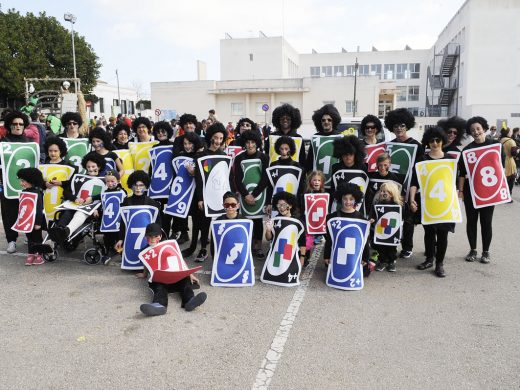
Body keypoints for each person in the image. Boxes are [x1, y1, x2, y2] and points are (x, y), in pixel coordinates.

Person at [409, 127, 457, 277]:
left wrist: (457, 198)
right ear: (427, 142)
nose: (435, 143)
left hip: (444, 203)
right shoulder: (422, 160)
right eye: (432, 140)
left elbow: (453, 184)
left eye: (438, 140)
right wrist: (411, 200)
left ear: (442, 141)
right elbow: (414, 182)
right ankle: (429, 258)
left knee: (443, 234)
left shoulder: (450, 160)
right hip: (427, 203)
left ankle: (440, 264)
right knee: (429, 232)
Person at [137, 223, 207, 317]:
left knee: (185, 282)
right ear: (146, 237)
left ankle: (190, 300)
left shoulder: (168, 245)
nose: (153, 239)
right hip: (161, 279)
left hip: (175, 277)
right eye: (150, 236)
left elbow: (179, 260)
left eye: (156, 236)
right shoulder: (145, 251)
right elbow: (147, 264)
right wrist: (144, 274)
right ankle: (158, 305)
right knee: (159, 288)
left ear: (160, 236)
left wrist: (190, 274)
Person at [458, 116, 501, 264]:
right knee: (471, 221)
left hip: (488, 191)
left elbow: (500, 169)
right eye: (472, 130)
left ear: (484, 128)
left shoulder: (495, 145)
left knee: (486, 222)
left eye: (478, 128)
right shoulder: (467, 150)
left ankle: (486, 251)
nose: (475, 132)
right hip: (471, 191)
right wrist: (461, 191)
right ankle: (473, 249)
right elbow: (462, 173)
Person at [183, 123, 229, 262]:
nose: (218, 141)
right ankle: (201, 249)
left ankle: (216, 249)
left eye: (221, 138)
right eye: (215, 137)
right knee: (202, 223)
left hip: (219, 195)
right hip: (203, 195)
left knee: (218, 223)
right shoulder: (201, 156)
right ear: (210, 137)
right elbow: (200, 180)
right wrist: (200, 198)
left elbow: (225, 179)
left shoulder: (224, 156)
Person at [384, 108, 423, 259]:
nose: (399, 128)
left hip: (410, 187)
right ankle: (390, 246)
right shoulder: (389, 145)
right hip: (393, 187)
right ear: (391, 128)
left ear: (407, 126)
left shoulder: (416, 145)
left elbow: (419, 170)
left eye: (401, 125)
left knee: (408, 220)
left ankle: (407, 247)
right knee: (392, 217)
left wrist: (413, 192)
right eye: (395, 126)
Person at [49, 153, 106, 244]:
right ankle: (59, 231)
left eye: (93, 166)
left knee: (81, 212)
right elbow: (66, 192)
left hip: (91, 209)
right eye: (88, 166)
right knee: (68, 212)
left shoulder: (106, 180)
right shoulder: (79, 178)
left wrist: (97, 208)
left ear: (99, 167)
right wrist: (75, 198)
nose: (90, 169)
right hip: (75, 204)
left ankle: (66, 231)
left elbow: (106, 196)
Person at [232, 130, 269, 258]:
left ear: (257, 143)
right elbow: (237, 179)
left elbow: (265, 178)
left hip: (259, 193)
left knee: (258, 220)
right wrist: (245, 194)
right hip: (244, 195)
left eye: (252, 142)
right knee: (246, 220)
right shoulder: (239, 158)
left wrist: (254, 194)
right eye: (247, 142)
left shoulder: (263, 157)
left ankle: (258, 246)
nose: (250, 145)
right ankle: (247, 244)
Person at [1, 111, 31, 254]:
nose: (18, 126)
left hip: (27, 185)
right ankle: (11, 240)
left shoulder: (31, 144)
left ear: (24, 126)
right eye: (14, 124)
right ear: (9, 125)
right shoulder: (3, 143)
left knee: (27, 210)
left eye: (21, 124)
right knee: (9, 214)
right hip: (8, 184)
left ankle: (27, 235)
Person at [323, 183, 369, 268]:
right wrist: (327, 256)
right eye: (345, 199)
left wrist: (365, 258)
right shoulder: (332, 217)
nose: (348, 202)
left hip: (353, 257)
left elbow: (364, 241)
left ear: (356, 200)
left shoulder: (362, 219)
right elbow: (329, 239)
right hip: (338, 254)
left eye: (351, 199)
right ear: (340, 199)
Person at [265, 191, 307, 267]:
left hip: (290, 251)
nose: (281, 208)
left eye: (283, 205)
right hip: (277, 252)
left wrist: (302, 258)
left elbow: (302, 242)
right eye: (279, 205)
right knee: (275, 269)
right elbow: (268, 238)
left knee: (287, 268)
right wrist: (268, 230)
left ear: (290, 206)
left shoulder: (297, 222)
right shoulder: (275, 220)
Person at [369, 181, 403, 272]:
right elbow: (373, 214)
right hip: (381, 229)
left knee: (391, 247)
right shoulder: (378, 204)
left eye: (385, 191)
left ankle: (391, 262)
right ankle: (382, 261)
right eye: (382, 191)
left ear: (392, 194)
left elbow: (404, 215)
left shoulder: (398, 205)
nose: (383, 193)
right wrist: (372, 218)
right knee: (381, 246)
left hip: (392, 230)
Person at [17, 168, 46, 266]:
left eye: (23, 181)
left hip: (36, 221)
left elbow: (39, 209)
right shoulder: (24, 192)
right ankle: (31, 254)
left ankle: (39, 254)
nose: (21, 183)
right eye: (21, 180)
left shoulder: (37, 193)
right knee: (29, 237)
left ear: (31, 180)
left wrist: (38, 222)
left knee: (37, 238)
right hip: (27, 220)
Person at [304, 104, 342, 172]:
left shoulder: (340, 137)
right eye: (323, 120)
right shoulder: (315, 138)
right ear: (320, 122)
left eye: (329, 120)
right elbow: (310, 160)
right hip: (317, 179)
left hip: (335, 177)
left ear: (333, 121)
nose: (326, 122)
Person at [303, 170, 327, 266]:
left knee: (329, 238)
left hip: (321, 221)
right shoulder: (306, 194)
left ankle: (328, 258)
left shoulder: (325, 194)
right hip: (309, 221)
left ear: (322, 182)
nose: (316, 182)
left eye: (318, 180)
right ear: (310, 181)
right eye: (314, 180)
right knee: (308, 240)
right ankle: (305, 257)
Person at [499, 127, 517, 198]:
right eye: (510, 132)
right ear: (507, 133)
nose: (511, 133)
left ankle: (501, 196)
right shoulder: (511, 141)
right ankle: (508, 196)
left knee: (503, 180)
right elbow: (514, 153)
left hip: (501, 162)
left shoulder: (499, 140)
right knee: (510, 181)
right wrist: (517, 151)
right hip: (510, 163)